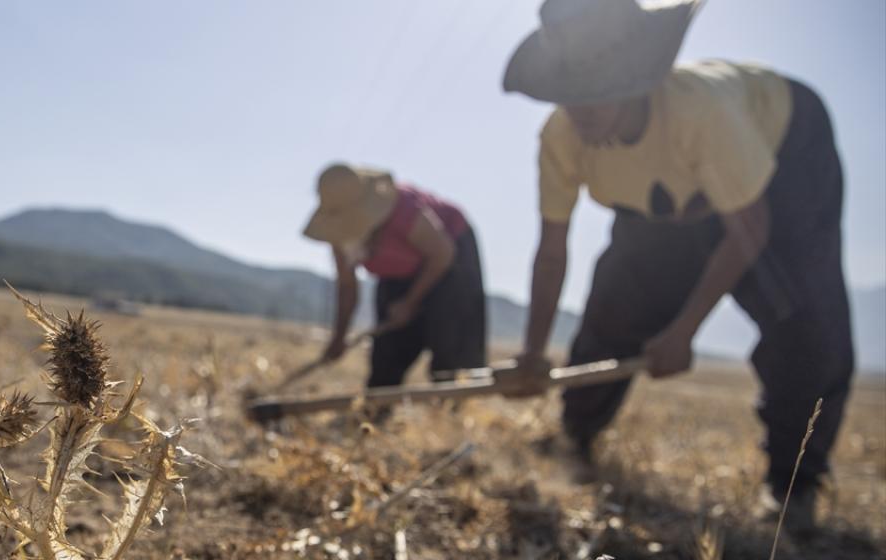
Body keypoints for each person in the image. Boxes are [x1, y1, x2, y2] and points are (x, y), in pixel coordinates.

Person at [500, 0, 854, 531]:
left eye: (597, 93)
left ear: (636, 80)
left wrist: (684, 330)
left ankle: (793, 485)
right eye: (570, 96)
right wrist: (531, 353)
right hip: (668, 194)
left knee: (804, 321)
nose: (582, 111)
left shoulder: (700, 113)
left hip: (784, 160)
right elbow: (552, 251)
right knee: (617, 301)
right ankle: (575, 434)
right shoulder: (562, 137)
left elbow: (749, 228)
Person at [302, 163, 487, 389]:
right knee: (387, 353)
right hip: (399, 272)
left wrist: (410, 302)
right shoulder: (338, 234)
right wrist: (339, 338)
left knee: (451, 350)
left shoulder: (403, 210)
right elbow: (347, 285)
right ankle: (377, 409)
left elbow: (443, 253)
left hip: (448, 260)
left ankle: (450, 406)